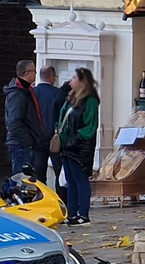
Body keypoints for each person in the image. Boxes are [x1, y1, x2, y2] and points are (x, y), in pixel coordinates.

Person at [58, 67, 100, 225]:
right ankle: (72, 213)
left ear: (82, 81)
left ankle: (83, 213)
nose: (71, 81)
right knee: (69, 179)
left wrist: (77, 138)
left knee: (80, 178)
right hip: (66, 144)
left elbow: (90, 125)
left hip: (79, 146)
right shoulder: (71, 97)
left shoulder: (90, 100)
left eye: (74, 78)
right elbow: (62, 115)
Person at [4, 59, 45, 175]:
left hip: (25, 143)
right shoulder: (17, 94)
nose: (35, 74)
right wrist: (27, 141)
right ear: (26, 73)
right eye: (34, 71)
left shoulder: (25, 91)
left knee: (26, 179)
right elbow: (14, 122)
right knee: (21, 180)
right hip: (21, 145)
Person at [33, 65, 67, 187]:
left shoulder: (32, 93)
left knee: (39, 173)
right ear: (52, 77)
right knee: (59, 172)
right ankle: (61, 199)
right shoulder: (57, 94)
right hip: (55, 139)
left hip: (37, 138)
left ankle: (41, 198)